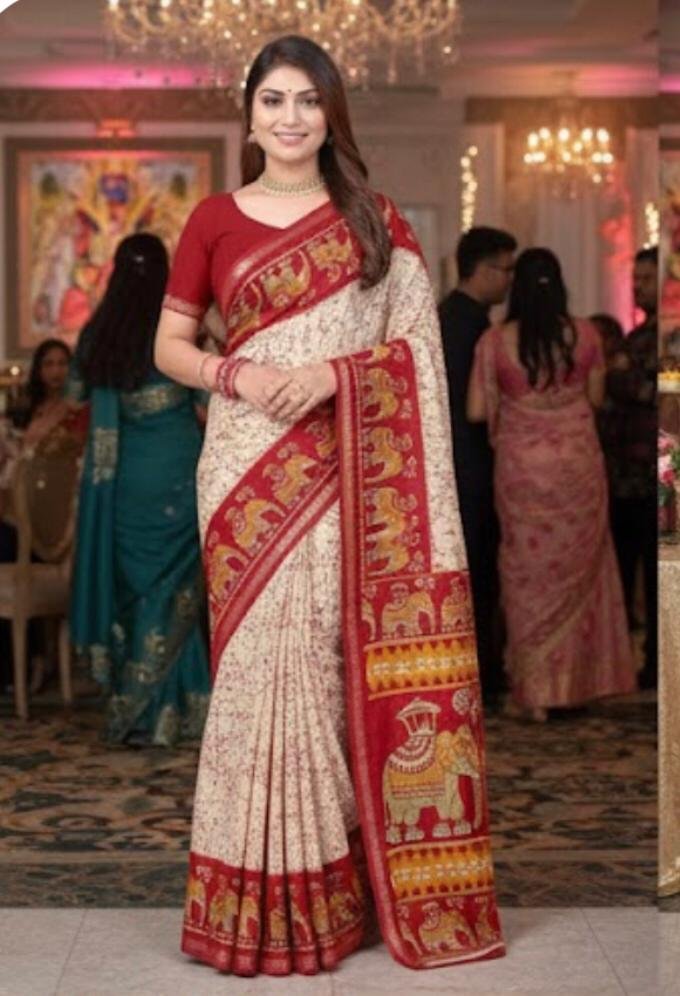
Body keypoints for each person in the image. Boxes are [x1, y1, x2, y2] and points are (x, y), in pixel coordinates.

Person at [155, 35, 504, 977]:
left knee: (316, 663)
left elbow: (418, 354)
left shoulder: (374, 218)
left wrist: (327, 374)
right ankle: (249, 895)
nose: (291, 118)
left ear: (331, 112)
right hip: (241, 464)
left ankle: (326, 893)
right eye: (273, 100)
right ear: (249, 113)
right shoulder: (214, 220)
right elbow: (171, 345)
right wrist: (241, 370)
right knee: (255, 673)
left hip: (346, 466)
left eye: (308, 101)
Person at [467, 248, 636, 720]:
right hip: (577, 470)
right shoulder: (585, 335)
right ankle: (577, 686)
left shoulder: (496, 341)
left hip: (522, 474)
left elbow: (478, 411)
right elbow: (596, 398)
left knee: (526, 576)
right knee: (581, 571)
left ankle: (535, 693)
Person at [69, 233, 210, 747]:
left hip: (125, 487)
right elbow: (208, 397)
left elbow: (72, 394)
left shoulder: (98, 335)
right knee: (175, 596)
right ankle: (179, 712)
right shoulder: (178, 333)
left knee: (140, 594)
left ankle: (143, 710)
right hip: (179, 477)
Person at [439, 227, 517, 708]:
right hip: (469, 462)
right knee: (478, 571)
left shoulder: (451, 316)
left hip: (456, 461)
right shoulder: (470, 327)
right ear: (483, 269)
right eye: (506, 269)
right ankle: (480, 675)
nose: (509, 280)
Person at [604, 248, 658, 688]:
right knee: (624, 571)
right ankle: (629, 664)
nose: (637, 287)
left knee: (662, 576)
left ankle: (661, 664)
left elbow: (652, 393)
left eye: (646, 279)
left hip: (661, 475)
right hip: (623, 475)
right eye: (636, 278)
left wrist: (624, 378)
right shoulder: (639, 336)